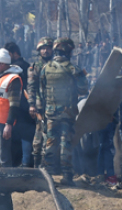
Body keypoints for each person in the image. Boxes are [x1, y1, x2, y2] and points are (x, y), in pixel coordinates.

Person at [37, 37, 88, 185]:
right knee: (66, 144)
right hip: (68, 113)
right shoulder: (73, 69)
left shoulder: (45, 68)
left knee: (50, 143)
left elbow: (41, 92)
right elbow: (83, 89)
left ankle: (47, 176)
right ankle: (67, 176)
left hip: (50, 113)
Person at [5, 41, 34, 167]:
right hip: (28, 105)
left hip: (20, 106)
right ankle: (26, 161)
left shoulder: (16, 69)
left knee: (22, 135)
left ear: (13, 53)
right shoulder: (27, 65)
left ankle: (23, 162)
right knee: (26, 134)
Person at [27, 37, 54, 168]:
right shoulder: (35, 67)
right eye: (43, 48)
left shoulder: (57, 65)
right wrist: (32, 104)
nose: (45, 51)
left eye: (48, 48)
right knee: (40, 136)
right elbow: (31, 87)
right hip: (41, 107)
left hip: (56, 107)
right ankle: (38, 166)